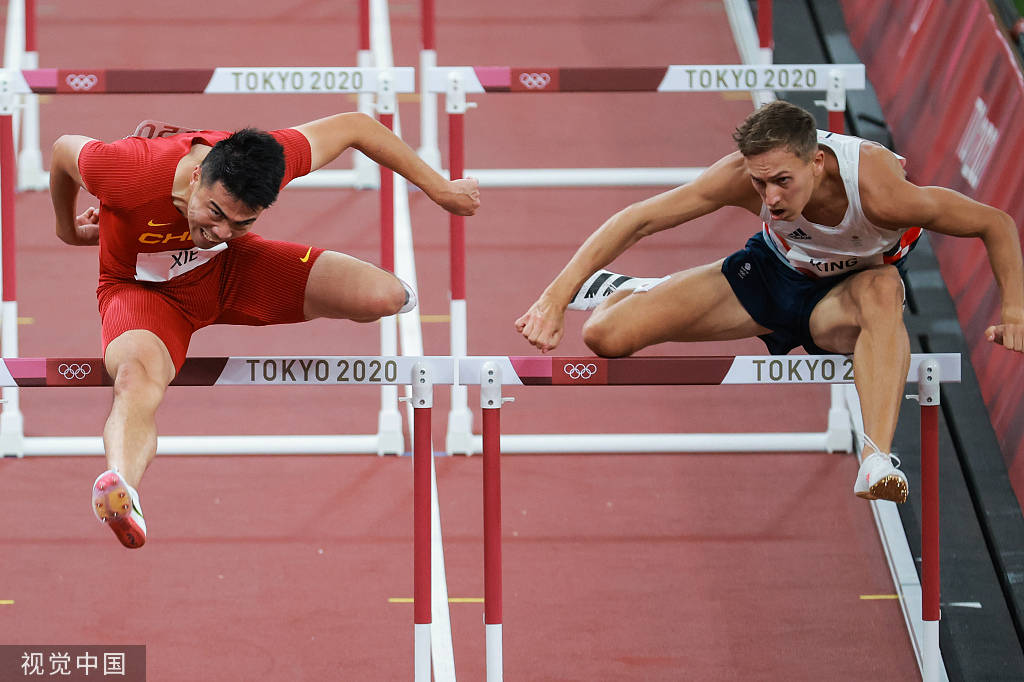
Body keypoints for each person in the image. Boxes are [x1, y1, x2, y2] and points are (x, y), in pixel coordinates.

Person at [516, 100, 1024, 505]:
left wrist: (1015, 311)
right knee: (604, 337)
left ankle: (877, 457)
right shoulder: (743, 179)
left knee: (885, 290)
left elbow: (994, 223)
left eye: (783, 181)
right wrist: (554, 299)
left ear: (818, 162)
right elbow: (639, 219)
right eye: (761, 183)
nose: (771, 198)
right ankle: (628, 288)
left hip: (844, 300)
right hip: (769, 276)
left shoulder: (880, 191)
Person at [50, 113, 480, 548]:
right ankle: (123, 487)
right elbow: (64, 148)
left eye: (241, 222)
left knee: (385, 297)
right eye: (215, 212)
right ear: (198, 174)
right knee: (136, 378)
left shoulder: (270, 158)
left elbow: (357, 127)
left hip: (231, 271)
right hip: (146, 296)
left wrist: (439, 188)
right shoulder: (128, 169)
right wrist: (69, 231)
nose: (219, 230)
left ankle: (374, 287)